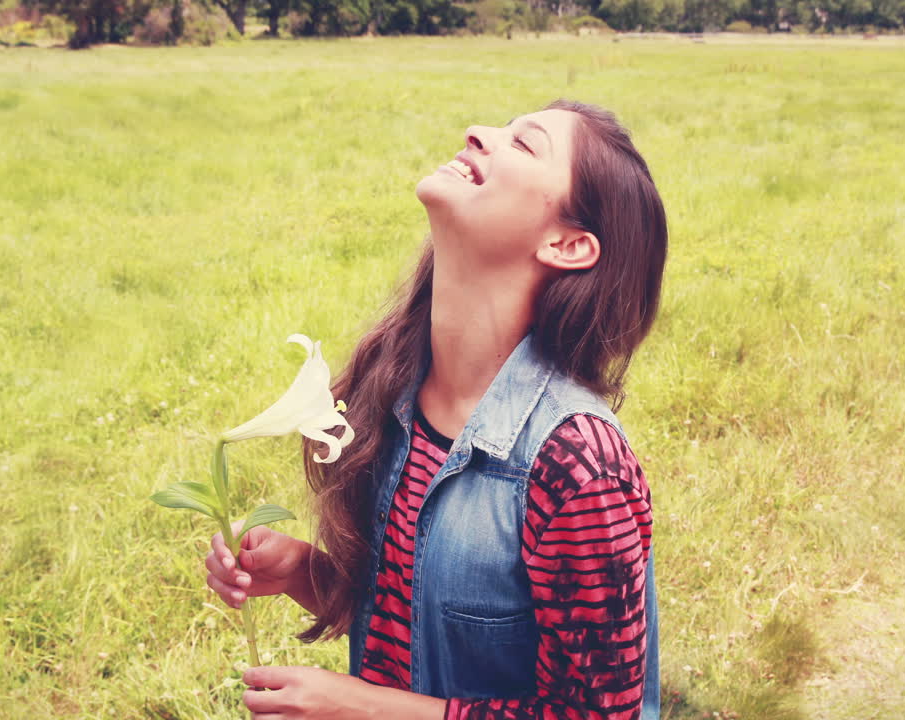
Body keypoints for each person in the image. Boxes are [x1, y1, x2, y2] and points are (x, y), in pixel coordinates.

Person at [204, 99, 668, 720]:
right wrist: (303, 573)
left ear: (567, 243)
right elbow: (415, 618)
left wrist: (364, 707)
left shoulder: (578, 466)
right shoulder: (394, 394)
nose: (478, 132)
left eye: (524, 144)